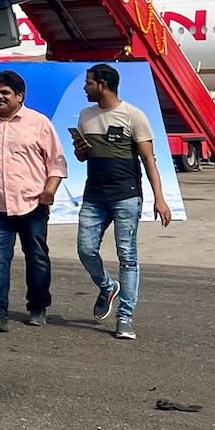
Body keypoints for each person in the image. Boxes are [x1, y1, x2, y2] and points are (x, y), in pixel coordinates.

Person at [72, 63, 173, 342]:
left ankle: (124, 317)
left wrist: (159, 199)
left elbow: (149, 160)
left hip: (126, 196)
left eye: (89, 83)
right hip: (94, 196)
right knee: (85, 249)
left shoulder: (133, 116)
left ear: (102, 85)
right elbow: (83, 157)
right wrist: (81, 151)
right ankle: (107, 286)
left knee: (127, 257)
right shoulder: (86, 115)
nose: (85, 87)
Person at [0, 69, 66, 332]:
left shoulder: (39, 123)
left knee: (36, 257)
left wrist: (50, 190)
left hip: (32, 203)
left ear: (20, 96)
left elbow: (56, 162)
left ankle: (38, 307)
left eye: (5, 93)